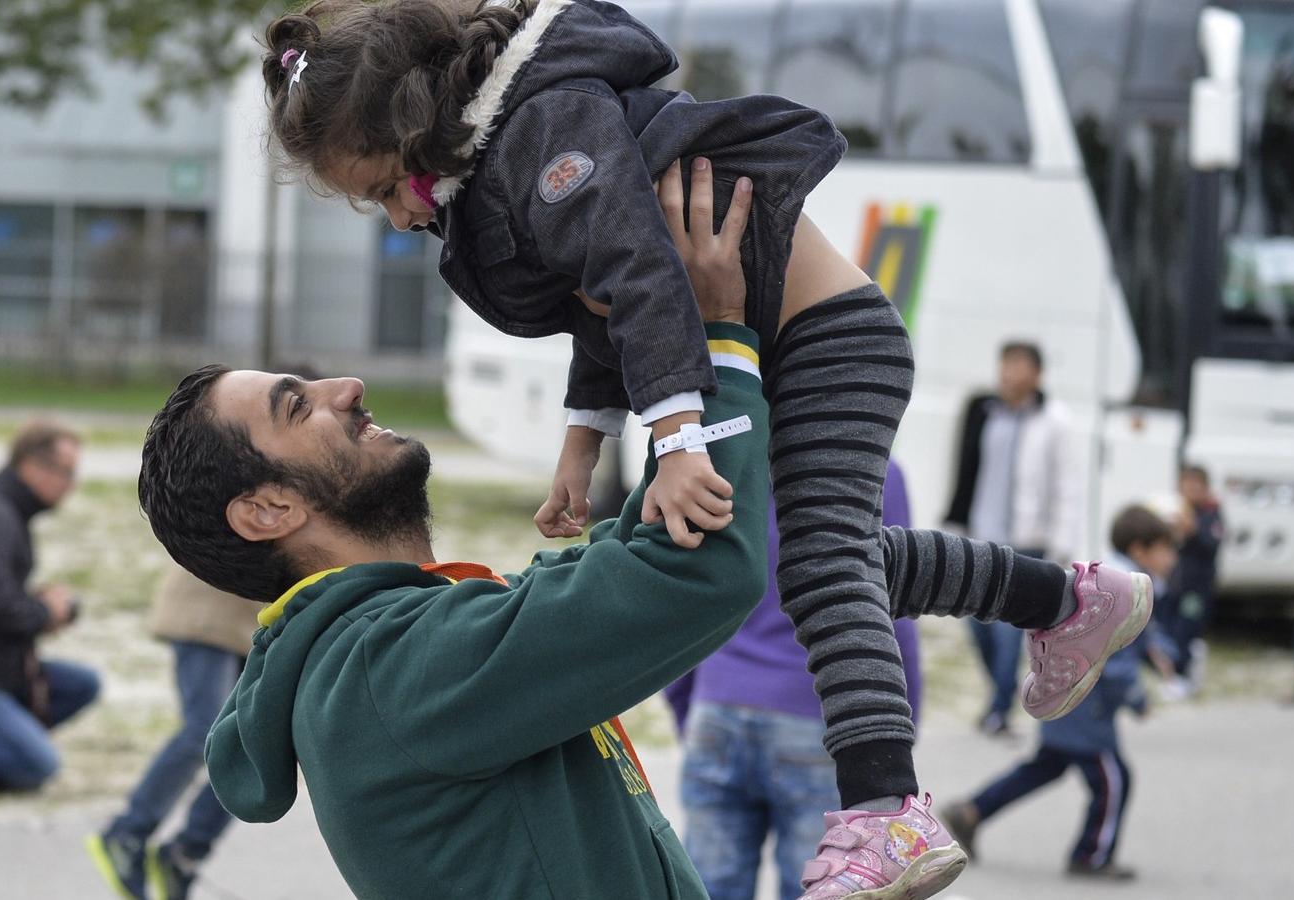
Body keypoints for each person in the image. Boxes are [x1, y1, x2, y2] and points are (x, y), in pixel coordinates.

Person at [256, 3, 1151, 894]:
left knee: (820, 565)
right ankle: (1066, 599)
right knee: (825, 560)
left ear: (411, 126)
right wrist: (585, 440)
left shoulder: (544, 128)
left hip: (826, 340)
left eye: (381, 189)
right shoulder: (513, 150)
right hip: (791, 338)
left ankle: (887, 812)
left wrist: (680, 438)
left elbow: (641, 273)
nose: (394, 216)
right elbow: (597, 301)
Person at [664, 460, 922, 900]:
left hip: (719, 704)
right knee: (816, 887)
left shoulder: (728, 457)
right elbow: (888, 603)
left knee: (709, 887)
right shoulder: (874, 465)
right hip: (817, 713)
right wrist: (894, 732)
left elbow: (687, 594)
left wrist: (687, 699)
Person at [941, 505, 1171, 883]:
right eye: (1166, 549)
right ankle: (1091, 855)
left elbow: (1141, 642)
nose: (1172, 559)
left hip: (1068, 706)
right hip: (1085, 711)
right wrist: (1138, 699)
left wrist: (1158, 655)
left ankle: (969, 813)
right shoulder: (1124, 592)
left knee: (1042, 769)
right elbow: (1115, 662)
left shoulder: (1117, 580)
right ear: (1141, 548)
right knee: (1114, 779)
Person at [87, 566, 265, 900]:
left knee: (252, 747)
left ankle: (185, 853)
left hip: (255, 622)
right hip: (206, 612)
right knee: (204, 732)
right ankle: (127, 833)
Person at [944, 341, 1082, 735]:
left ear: (1037, 375)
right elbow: (964, 468)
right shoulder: (984, 413)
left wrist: (1061, 545)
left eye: (1019, 367)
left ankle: (999, 709)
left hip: (1026, 542)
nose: (1009, 374)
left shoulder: (1054, 421)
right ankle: (1000, 697)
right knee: (975, 626)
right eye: (1005, 365)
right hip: (980, 539)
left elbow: (1067, 486)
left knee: (1007, 635)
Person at [0, 422, 99, 791]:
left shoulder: (10, 511)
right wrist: (45, 612)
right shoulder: (1, 516)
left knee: (83, 684)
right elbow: (1, 606)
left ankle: (13, 736)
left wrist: (37, 606)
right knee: (39, 764)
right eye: (66, 473)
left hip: (8, 669)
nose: (71, 484)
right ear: (31, 467)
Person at [1162, 464, 1223, 690]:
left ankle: (1183, 676)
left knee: (1186, 629)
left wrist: (1194, 531)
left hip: (1198, 587)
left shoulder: (1211, 513)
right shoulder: (1177, 512)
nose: (1190, 492)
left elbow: (1212, 545)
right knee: (1170, 627)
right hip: (1176, 584)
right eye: (1186, 487)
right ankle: (1176, 673)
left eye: (1196, 487)